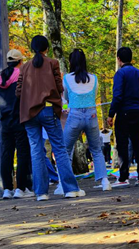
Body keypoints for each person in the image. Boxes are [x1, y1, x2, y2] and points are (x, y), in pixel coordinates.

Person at [17, 35, 84, 200]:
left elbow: (18, 91)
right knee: (59, 149)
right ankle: (70, 189)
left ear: (33, 48)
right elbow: (59, 87)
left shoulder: (24, 68)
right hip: (48, 109)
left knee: (36, 151)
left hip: (29, 113)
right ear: (46, 48)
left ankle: (41, 193)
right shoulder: (52, 63)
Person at [61, 49, 111, 191]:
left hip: (74, 115)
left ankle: (64, 183)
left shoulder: (67, 78)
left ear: (71, 62)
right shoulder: (93, 78)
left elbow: (65, 98)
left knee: (65, 149)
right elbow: (93, 96)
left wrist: (66, 107)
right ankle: (105, 181)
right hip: (92, 115)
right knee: (96, 149)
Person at [0, 49, 34, 199]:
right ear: (20, 62)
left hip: (4, 123)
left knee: (6, 155)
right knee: (22, 154)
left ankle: (7, 188)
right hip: (20, 120)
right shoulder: (22, 76)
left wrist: (0, 105)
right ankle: (21, 188)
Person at [107, 46, 139, 188]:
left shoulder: (120, 74)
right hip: (137, 111)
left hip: (124, 111)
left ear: (119, 59)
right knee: (138, 143)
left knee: (123, 144)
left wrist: (111, 114)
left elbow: (117, 95)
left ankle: (124, 177)